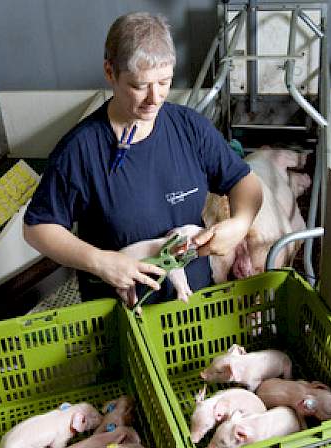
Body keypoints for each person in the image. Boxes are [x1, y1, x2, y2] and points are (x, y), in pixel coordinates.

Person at [23, 12, 262, 304]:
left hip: (191, 298)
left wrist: (239, 224)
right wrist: (99, 261)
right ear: (110, 72)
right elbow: (37, 227)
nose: (155, 98)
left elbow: (244, 182)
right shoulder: (81, 149)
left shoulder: (189, 128)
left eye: (164, 82)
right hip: (119, 307)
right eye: (139, 86)